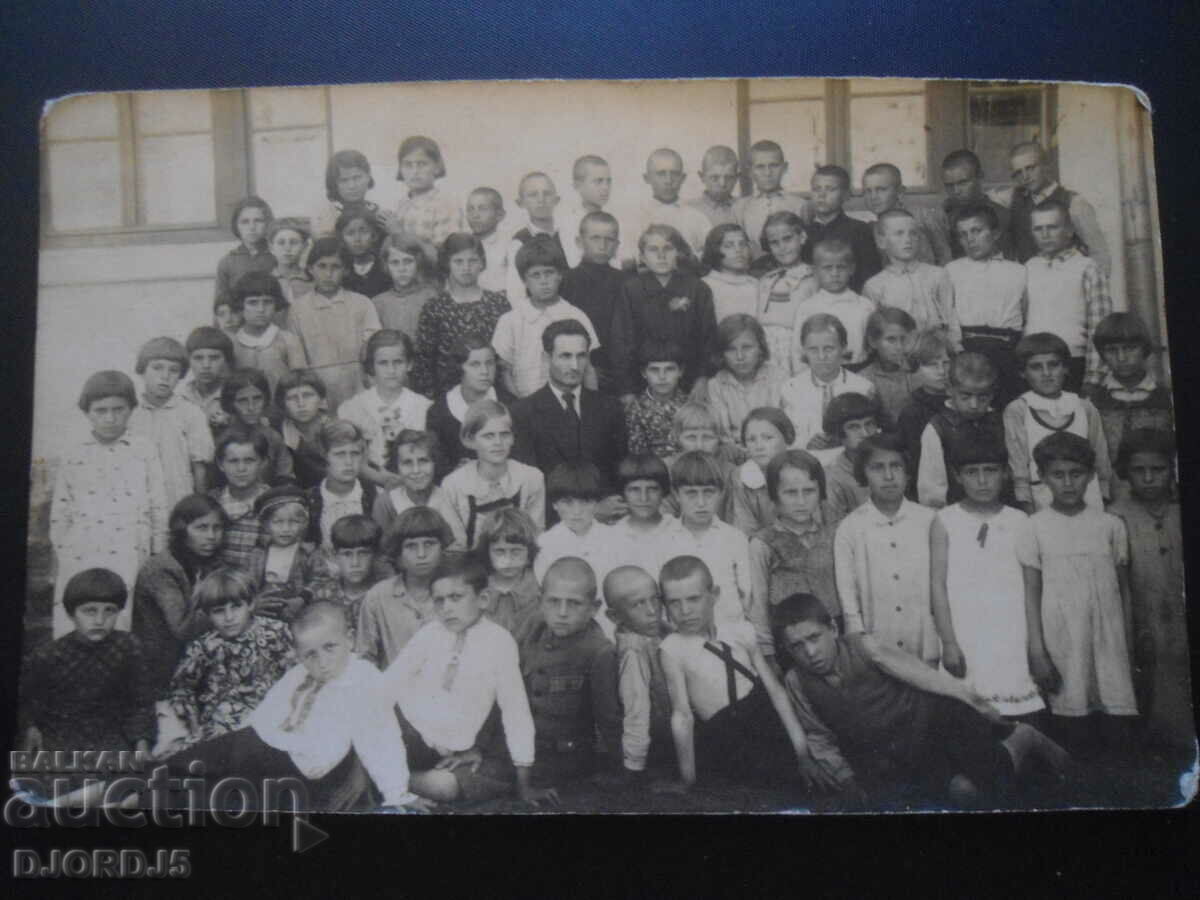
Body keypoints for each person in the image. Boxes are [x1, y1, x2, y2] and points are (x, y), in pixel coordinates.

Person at [777, 593, 1070, 808]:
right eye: (797, 646)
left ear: (833, 629)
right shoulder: (796, 681)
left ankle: (1025, 737)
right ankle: (1016, 762)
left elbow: (926, 677)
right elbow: (819, 735)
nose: (810, 652)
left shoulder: (866, 647)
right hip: (898, 753)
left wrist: (977, 704)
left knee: (992, 773)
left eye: (814, 638)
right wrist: (847, 781)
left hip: (937, 721)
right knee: (966, 794)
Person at [154, 602, 432, 812]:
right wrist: (241, 737)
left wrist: (398, 793)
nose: (321, 661)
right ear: (299, 655)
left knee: (221, 794)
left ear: (349, 638)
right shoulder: (299, 673)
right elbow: (269, 709)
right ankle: (144, 787)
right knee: (199, 757)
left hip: (296, 761)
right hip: (259, 741)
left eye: (330, 647)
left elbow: (381, 738)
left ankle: (159, 798)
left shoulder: (364, 679)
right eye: (310, 654)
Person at [386, 556, 551, 807]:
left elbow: (515, 710)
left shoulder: (499, 642)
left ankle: (390, 778)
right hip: (411, 735)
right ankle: (384, 775)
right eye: (439, 601)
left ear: (483, 599)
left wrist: (524, 783)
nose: (446, 608)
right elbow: (390, 683)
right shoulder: (429, 634)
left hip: (452, 751)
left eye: (456, 598)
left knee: (447, 787)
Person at [657, 556, 824, 791]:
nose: (684, 611)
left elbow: (775, 692)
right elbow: (682, 715)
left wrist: (802, 754)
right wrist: (687, 779)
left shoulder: (741, 630)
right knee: (754, 781)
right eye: (674, 602)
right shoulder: (672, 649)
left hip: (762, 716)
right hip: (723, 732)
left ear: (713, 595)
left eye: (693, 599)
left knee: (803, 775)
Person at [1025, 432, 1138, 757]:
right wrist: (1037, 650)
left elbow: (1123, 589)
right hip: (1061, 634)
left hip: (1108, 636)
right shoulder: (1034, 527)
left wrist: (1127, 642)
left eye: (1076, 474)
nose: (1068, 483)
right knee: (1071, 712)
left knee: (1113, 711)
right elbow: (1032, 592)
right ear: (1043, 478)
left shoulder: (1110, 525)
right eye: (1058, 475)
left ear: (1090, 475)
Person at [929, 436, 1046, 720]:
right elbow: (938, 585)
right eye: (971, 472)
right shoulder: (945, 520)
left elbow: (1032, 589)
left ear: (1005, 473)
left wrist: (1035, 646)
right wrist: (949, 643)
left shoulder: (1021, 521)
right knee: (969, 714)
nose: (982, 480)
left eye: (990, 471)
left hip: (1010, 633)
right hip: (966, 633)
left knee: (1015, 714)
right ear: (958, 477)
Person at [51, 370, 169, 636]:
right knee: (78, 618)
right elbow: (61, 511)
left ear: (131, 410)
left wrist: (156, 553)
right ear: (87, 412)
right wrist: (67, 552)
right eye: (100, 410)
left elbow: (158, 506)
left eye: (119, 409)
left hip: (128, 550)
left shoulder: (143, 449)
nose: (110, 418)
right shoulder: (74, 452)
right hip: (82, 550)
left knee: (119, 620)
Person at [1109, 429, 1193, 753]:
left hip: (1177, 603)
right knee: (1153, 671)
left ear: (1171, 468)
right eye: (1138, 471)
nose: (1148, 478)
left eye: (1157, 470)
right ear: (1125, 472)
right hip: (1144, 611)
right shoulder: (1116, 516)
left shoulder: (1178, 509)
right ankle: (1161, 742)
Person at [20, 569, 155, 757]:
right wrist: (31, 727)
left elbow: (141, 702)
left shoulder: (129, 647)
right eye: (89, 611)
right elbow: (31, 703)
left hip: (112, 734)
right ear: (71, 613)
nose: (100, 620)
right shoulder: (48, 655)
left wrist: (142, 744)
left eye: (110, 610)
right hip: (62, 736)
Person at [834, 433, 939, 665]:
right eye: (877, 468)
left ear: (908, 471)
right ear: (864, 473)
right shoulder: (850, 528)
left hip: (927, 642)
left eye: (896, 466)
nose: (889, 476)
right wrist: (859, 638)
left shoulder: (930, 521)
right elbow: (847, 590)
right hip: (878, 646)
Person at [164, 567, 295, 752]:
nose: (229, 617)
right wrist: (192, 722)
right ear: (207, 614)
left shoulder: (276, 632)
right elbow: (181, 687)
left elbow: (296, 674)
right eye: (219, 611)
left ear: (250, 604)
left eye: (236, 607)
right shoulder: (204, 646)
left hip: (269, 715)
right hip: (222, 724)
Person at [517, 558, 621, 782]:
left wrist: (619, 766)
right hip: (520, 750)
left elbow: (608, 718)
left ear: (594, 608)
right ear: (540, 601)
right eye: (553, 601)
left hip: (566, 759)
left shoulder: (598, 651)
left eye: (574, 603)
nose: (562, 612)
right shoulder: (533, 629)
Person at [657, 453, 767, 657]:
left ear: (721, 492)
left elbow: (747, 597)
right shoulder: (663, 540)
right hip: (684, 644)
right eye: (691, 493)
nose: (701, 502)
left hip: (732, 642)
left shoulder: (735, 538)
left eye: (708, 492)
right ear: (676, 494)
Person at [510, 319, 628, 506]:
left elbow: (620, 473)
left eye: (581, 356)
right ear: (546, 358)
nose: (574, 365)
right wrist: (589, 511)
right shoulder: (523, 413)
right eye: (565, 356)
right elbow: (529, 488)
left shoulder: (610, 408)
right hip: (552, 521)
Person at [1003, 332, 1111, 513]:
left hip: (1087, 495)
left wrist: (1104, 493)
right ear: (1023, 372)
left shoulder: (1084, 407)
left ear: (1066, 368)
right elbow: (1018, 463)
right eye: (1036, 367)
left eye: (1053, 365)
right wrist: (1026, 503)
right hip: (1041, 497)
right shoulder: (1018, 409)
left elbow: (1100, 455)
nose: (1046, 374)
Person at [132, 494, 227, 700]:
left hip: (192, 662)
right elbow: (183, 629)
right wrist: (224, 602)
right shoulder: (162, 568)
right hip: (163, 671)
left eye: (217, 528)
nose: (211, 536)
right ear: (181, 530)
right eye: (201, 528)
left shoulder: (207, 562)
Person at [493, 236, 601, 398]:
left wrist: (591, 405)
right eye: (535, 275)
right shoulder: (511, 320)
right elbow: (505, 372)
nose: (544, 281)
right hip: (526, 402)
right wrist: (520, 406)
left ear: (560, 275)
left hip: (569, 403)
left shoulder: (576, 315)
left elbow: (588, 369)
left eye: (549, 273)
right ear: (524, 280)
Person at [1023, 200, 1112, 393]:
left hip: (1072, 363)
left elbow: (1100, 326)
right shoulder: (1029, 267)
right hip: (1034, 364)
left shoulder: (1087, 267)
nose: (1045, 234)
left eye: (1052, 227)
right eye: (1039, 229)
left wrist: (1094, 376)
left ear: (1069, 230)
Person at [620, 224, 719, 397]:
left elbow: (708, 338)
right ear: (642, 257)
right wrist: (627, 389)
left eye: (668, 248)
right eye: (653, 250)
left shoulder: (697, 289)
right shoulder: (631, 290)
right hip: (643, 382)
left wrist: (703, 378)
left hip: (689, 381)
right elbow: (623, 342)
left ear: (678, 253)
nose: (661, 255)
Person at [285, 235, 382, 409]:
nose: (328, 274)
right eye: (322, 266)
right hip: (318, 390)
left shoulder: (362, 303)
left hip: (357, 385)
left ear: (345, 270)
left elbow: (373, 349)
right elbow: (297, 359)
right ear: (310, 269)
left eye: (335, 267)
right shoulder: (298, 309)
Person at [749, 450, 844, 627]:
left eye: (809, 491)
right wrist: (767, 650)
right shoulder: (763, 544)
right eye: (791, 493)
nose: (801, 501)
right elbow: (759, 606)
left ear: (820, 492)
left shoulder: (835, 535)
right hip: (790, 638)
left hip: (835, 632)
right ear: (774, 495)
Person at [944, 204, 1027, 406]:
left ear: (995, 233)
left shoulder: (1019, 271)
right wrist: (958, 350)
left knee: (1008, 405)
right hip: (969, 348)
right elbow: (948, 313)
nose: (970, 239)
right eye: (963, 234)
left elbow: (1026, 313)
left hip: (1008, 349)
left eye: (977, 231)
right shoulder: (951, 271)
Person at [412, 233, 511, 397]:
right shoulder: (435, 307)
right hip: (447, 396)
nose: (466, 268)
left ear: (482, 263)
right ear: (447, 264)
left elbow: (505, 358)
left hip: (493, 395)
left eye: (472, 261)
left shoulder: (498, 304)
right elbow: (425, 362)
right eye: (458, 261)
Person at [1084, 312, 1174, 491]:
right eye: (1112, 350)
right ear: (1102, 354)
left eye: (1130, 348)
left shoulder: (1166, 398)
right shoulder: (1092, 401)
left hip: (1159, 490)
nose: (1122, 358)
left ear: (1145, 349)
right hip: (1111, 492)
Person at [355, 506, 454, 668]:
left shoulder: (457, 592)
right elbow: (365, 659)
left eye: (429, 543)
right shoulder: (378, 597)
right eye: (411, 546)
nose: (421, 554)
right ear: (399, 553)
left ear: (442, 547)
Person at [442, 398, 546, 546]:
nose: (498, 442)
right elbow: (456, 546)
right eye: (488, 436)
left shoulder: (531, 478)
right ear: (471, 440)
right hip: (469, 565)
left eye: (504, 434)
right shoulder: (453, 485)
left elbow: (535, 537)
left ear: (512, 438)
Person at [602, 566, 673, 779]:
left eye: (656, 599)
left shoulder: (663, 631)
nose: (652, 610)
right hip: (658, 744)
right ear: (614, 616)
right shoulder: (634, 651)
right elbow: (637, 710)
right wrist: (634, 765)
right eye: (638, 604)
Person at [128, 336, 214, 510]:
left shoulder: (191, 413)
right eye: (157, 368)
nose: (165, 376)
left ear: (181, 375)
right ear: (142, 370)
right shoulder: (130, 413)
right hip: (136, 499)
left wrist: (198, 508)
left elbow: (199, 467)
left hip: (177, 499)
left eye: (173, 370)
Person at [337, 329, 431, 485]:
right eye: (383, 363)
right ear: (372, 366)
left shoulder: (424, 407)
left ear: (409, 364)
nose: (391, 370)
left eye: (398, 362)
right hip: (366, 485)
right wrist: (376, 477)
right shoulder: (352, 409)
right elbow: (345, 457)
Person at [533, 464, 616, 636]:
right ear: (555, 504)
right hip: (563, 630)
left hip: (608, 629)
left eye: (585, 502)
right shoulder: (545, 544)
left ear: (596, 502)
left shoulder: (616, 539)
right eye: (568, 502)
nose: (576, 512)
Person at [1005, 141, 1111, 276]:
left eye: (1031, 168)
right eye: (1018, 172)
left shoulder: (1074, 203)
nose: (1025, 176)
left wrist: (1093, 288)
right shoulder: (1014, 200)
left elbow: (1099, 253)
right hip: (1032, 286)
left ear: (1046, 165)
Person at [916, 351, 1006, 509]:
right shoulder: (937, 428)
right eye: (965, 396)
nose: (974, 404)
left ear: (992, 394)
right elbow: (931, 488)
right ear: (949, 389)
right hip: (955, 514)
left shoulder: (999, 422)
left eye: (982, 397)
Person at [560, 211, 635, 398]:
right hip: (579, 368)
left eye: (609, 240)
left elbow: (629, 331)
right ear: (580, 242)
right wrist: (586, 367)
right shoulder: (567, 281)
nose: (602, 246)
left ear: (617, 245)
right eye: (595, 238)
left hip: (620, 374)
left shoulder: (627, 282)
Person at [862, 209, 961, 351]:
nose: (908, 240)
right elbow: (875, 330)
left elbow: (951, 316)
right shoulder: (875, 285)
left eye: (913, 233)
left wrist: (955, 347)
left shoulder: (938, 275)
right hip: (900, 352)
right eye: (899, 233)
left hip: (937, 349)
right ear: (881, 241)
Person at [779, 314, 874, 454]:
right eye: (813, 350)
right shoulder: (791, 389)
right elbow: (785, 437)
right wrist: (806, 443)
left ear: (843, 348)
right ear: (804, 351)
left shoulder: (863, 388)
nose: (822, 357)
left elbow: (872, 435)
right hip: (806, 461)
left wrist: (843, 440)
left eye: (829, 348)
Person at [424, 336, 515, 475]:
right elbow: (436, 465)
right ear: (459, 368)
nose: (485, 371)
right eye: (475, 364)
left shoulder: (511, 405)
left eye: (489, 363)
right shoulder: (439, 412)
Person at [789, 239, 878, 368]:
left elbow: (873, 347)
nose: (835, 273)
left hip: (858, 370)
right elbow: (798, 350)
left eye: (841, 267)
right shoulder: (808, 307)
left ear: (852, 269)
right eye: (827, 268)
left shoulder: (865, 306)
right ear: (815, 271)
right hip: (818, 372)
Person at [370, 429, 467, 546]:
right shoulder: (386, 503)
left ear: (434, 463)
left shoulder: (448, 496)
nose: (416, 470)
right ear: (397, 467)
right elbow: (381, 553)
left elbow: (460, 544)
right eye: (407, 463)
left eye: (423, 461)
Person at [755, 211, 819, 374]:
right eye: (774, 243)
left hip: (795, 349)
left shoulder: (813, 278)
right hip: (766, 351)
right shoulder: (766, 280)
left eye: (787, 239)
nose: (782, 247)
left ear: (802, 237)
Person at [706, 314, 783, 449]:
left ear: (760, 347)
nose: (740, 356)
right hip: (736, 454)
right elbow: (724, 435)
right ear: (721, 353)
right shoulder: (716, 385)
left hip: (774, 451)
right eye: (731, 349)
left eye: (747, 347)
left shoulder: (777, 377)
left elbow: (783, 426)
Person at [801, 165, 881, 291]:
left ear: (845, 195)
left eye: (830, 189)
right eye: (816, 189)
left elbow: (870, 277)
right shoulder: (803, 232)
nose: (821, 195)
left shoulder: (859, 230)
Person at [228, 271, 308, 396]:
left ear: (276, 304)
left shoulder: (288, 340)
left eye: (267, 302)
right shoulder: (232, 343)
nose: (261, 309)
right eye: (253, 302)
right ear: (240, 305)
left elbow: (301, 382)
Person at [855, 162, 951, 264]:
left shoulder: (923, 216)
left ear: (900, 192)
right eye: (867, 191)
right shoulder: (872, 229)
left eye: (881, 189)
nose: (873, 197)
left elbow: (945, 255)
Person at [734, 139, 813, 263]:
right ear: (750, 171)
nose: (767, 173)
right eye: (760, 167)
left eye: (774, 165)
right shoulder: (740, 207)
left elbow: (807, 245)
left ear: (784, 167)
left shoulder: (800, 205)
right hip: (754, 271)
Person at [305, 419, 378, 549]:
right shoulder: (309, 500)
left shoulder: (374, 497)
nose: (348, 462)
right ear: (324, 456)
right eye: (340, 454)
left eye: (355, 453)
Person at [246, 485, 316, 621]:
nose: (286, 529)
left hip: (298, 613)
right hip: (265, 616)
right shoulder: (258, 554)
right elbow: (247, 583)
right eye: (278, 522)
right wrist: (254, 602)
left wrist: (303, 598)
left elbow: (322, 579)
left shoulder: (308, 553)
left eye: (294, 522)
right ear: (266, 524)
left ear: (304, 523)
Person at [628, 148, 711, 261]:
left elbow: (711, 257)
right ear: (647, 178)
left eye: (675, 174)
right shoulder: (635, 219)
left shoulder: (697, 218)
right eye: (661, 174)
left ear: (683, 178)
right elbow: (629, 258)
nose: (668, 180)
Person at [605, 454, 678, 581]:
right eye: (634, 490)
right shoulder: (612, 536)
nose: (644, 498)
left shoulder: (678, 530)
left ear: (663, 491)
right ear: (623, 493)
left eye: (652, 489)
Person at [932, 149, 1013, 261]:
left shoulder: (1001, 216)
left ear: (980, 177)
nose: (956, 191)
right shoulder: (942, 216)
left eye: (963, 183)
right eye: (949, 185)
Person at [219, 368, 295, 486]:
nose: (251, 407)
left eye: (257, 399)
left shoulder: (273, 437)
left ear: (265, 400)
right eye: (242, 400)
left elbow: (285, 475)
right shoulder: (223, 439)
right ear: (231, 403)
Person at [477, 507, 543, 643]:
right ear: (487, 552)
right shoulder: (477, 588)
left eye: (516, 551)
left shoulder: (539, 589)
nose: (507, 560)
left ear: (529, 552)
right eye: (500, 551)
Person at [725, 407, 794, 535]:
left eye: (768, 438)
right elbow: (744, 527)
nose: (759, 446)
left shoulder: (804, 469)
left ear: (787, 438)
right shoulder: (741, 476)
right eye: (751, 440)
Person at [209, 428, 271, 571]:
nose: (241, 468)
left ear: (263, 463)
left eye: (249, 461)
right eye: (233, 461)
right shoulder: (212, 503)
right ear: (220, 464)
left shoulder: (273, 503)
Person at [307, 513, 386, 624]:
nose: (355, 563)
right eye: (347, 554)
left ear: (376, 554)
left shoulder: (385, 594)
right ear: (334, 556)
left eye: (363, 553)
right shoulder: (321, 594)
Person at [895, 328, 954, 473]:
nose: (942, 371)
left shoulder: (963, 400)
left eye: (946, 363)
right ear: (915, 368)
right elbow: (917, 462)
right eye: (933, 365)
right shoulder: (912, 412)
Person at [625, 339, 689, 459]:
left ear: (681, 371)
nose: (662, 377)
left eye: (669, 369)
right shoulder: (635, 410)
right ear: (644, 372)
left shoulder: (690, 405)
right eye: (654, 370)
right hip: (652, 471)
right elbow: (637, 454)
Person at [394, 135, 462, 248]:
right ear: (400, 169)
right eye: (408, 165)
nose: (415, 171)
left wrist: (398, 232)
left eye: (422, 164)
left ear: (437, 167)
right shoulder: (402, 204)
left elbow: (444, 256)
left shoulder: (446, 205)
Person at [818, 393, 880, 519]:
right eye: (854, 427)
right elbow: (835, 529)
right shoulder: (832, 477)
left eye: (869, 424)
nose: (865, 433)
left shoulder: (892, 460)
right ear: (838, 434)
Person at [311, 148, 395, 238]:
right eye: (343, 180)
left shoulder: (378, 212)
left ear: (368, 176)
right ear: (334, 184)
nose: (352, 186)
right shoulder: (326, 215)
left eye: (357, 177)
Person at [370, 232, 439, 340]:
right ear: (386, 266)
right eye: (395, 263)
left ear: (418, 262)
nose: (402, 269)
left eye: (408, 261)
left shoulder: (432, 298)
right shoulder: (378, 303)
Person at [214, 196, 276, 312]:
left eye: (258, 221)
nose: (252, 227)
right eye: (245, 222)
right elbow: (220, 306)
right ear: (236, 226)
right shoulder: (228, 262)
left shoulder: (277, 257)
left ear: (268, 223)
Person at [857, 307, 917, 428]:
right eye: (891, 340)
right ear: (873, 341)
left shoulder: (916, 370)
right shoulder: (864, 379)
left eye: (903, 339)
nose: (899, 346)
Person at [275, 368, 332, 489]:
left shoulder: (334, 429)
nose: (301, 404)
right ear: (283, 404)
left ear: (321, 400)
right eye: (291, 398)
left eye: (307, 395)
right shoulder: (281, 435)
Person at [558, 155, 617, 268]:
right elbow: (574, 264)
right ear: (578, 185)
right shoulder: (570, 223)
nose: (606, 187)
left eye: (608, 181)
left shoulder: (612, 219)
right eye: (598, 181)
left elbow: (621, 260)